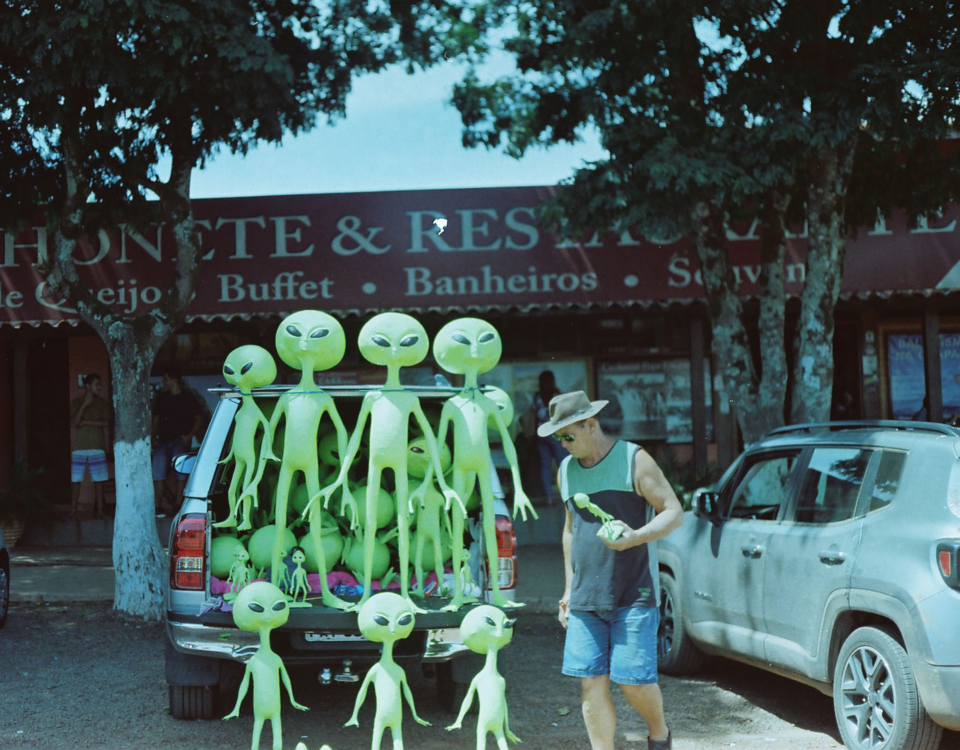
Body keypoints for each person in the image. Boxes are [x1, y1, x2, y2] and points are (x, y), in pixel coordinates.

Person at [539, 390, 683, 750]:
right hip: (587, 595)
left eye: (568, 436)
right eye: (559, 439)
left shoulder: (634, 460)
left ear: (591, 424)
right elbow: (571, 530)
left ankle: (659, 734)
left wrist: (635, 537)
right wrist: (569, 589)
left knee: (633, 680)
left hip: (635, 591)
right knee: (591, 681)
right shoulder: (566, 471)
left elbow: (672, 511)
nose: (564, 445)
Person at [152, 367, 204, 517]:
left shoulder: (188, 398)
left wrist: (189, 436)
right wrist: (153, 437)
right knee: (158, 472)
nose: (164, 383)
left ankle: (178, 505)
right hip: (162, 441)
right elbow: (156, 419)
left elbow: (199, 419)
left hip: (179, 440)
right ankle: (157, 506)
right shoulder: (162, 398)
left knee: (180, 472)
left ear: (175, 380)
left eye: (166, 379)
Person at [69, 373, 112, 519]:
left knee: (98, 480)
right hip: (79, 446)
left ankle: (100, 511)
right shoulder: (76, 402)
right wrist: (84, 406)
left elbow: (105, 423)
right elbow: (74, 423)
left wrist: (86, 422)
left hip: (97, 445)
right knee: (76, 480)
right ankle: (73, 511)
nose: (99, 387)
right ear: (88, 386)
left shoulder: (103, 403)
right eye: (96, 384)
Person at [532, 370, 567, 503]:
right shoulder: (557, 395)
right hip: (555, 433)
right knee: (562, 464)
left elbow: (535, 413)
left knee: (545, 466)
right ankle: (565, 494)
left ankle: (549, 497)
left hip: (541, 433)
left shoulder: (537, 396)